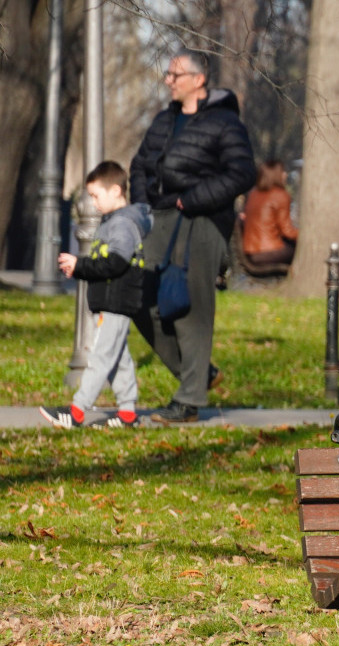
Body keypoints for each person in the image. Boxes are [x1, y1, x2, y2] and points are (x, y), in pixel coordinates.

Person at [129, 47, 255, 424]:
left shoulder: (225, 124)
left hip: (200, 222)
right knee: (138, 299)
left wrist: (193, 199)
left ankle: (189, 401)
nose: (168, 81)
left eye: (175, 75)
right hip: (158, 218)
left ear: (198, 81)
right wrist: (142, 207)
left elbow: (242, 174)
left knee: (189, 309)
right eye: (168, 74)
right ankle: (200, 374)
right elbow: (139, 165)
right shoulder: (163, 121)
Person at [39, 161, 153, 429]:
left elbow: (116, 263)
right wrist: (80, 268)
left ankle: (76, 412)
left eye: (96, 196)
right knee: (118, 357)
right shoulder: (114, 222)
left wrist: (80, 265)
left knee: (101, 357)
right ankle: (127, 414)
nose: (93, 203)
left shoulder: (123, 223)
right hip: (113, 300)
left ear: (115, 191)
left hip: (118, 300)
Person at [239, 159, 297, 275]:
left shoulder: (253, 194)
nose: (285, 175)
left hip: (251, 252)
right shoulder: (280, 195)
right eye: (282, 172)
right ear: (275, 175)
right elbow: (288, 231)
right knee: (300, 249)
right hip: (269, 251)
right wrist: (306, 235)